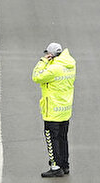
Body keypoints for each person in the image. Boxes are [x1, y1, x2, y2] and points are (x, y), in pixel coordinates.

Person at [32, 42, 76, 178]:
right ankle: (64, 164)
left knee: (51, 138)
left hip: (52, 110)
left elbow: (36, 76)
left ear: (51, 54)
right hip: (65, 109)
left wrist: (43, 61)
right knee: (63, 138)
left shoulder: (54, 68)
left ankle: (55, 166)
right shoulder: (70, 65)